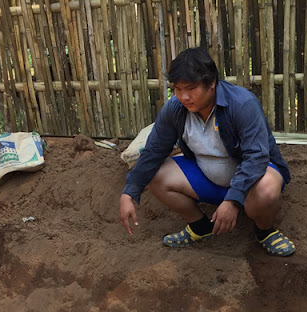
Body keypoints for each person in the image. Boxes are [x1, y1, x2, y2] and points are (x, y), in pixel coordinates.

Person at [119, 47, 295, 256]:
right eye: (177, 89)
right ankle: (200, 226)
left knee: (266, 190)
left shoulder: (242, 104)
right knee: (155, 174)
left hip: (252, 184)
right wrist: (129, 192)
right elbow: (154, 151)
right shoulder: (175, 109)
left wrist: (233, 201)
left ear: (211, 83)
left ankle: (265, 231)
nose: (183, 96)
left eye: (191, 88)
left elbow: (256, 158)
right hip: (207, 179)